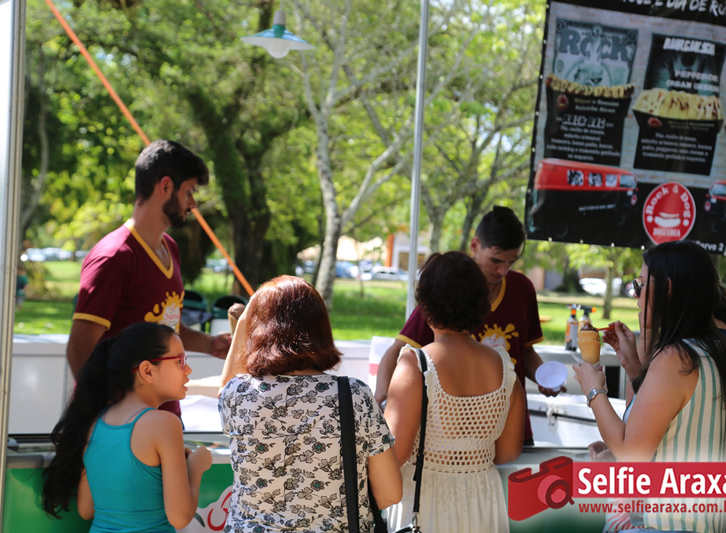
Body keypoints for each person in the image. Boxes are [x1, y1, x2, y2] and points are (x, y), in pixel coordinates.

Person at [574, 240, 726, 532]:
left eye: (641, 285)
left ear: (667, 289)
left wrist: (594, 390)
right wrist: (635, 367)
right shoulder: (721, 350)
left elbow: (631, 454)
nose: (636, 296)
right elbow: (668, 420)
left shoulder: (676, 358)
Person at [218, 276, 402, 532]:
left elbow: (226, 385)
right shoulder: (354, 395)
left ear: (256, 329)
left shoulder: (238, 394)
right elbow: (389, 494)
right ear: (321, 328)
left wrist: (245, 321)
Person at [68, 140, 231, 416]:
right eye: (189, 192)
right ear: (165, 186)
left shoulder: (170, 249)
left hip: (164, 416)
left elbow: (165, 325)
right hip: (122, 423)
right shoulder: (114, 256)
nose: (193, 203)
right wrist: (106, 418)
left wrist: (209, 344)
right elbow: (79, 347)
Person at [375, 205, 552, 445]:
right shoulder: (449, 288)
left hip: (510, 431)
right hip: (452, 437)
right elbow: (396, 351)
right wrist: (382, 397)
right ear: (475, 245)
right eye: (496, 260)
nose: (503, 270)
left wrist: (545, 377)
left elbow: (525, 351)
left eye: (512, 262)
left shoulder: (523, 288)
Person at [384, 251, 525, 533]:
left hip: (427, 501)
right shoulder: (505, 367)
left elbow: (393, 454)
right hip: (483, 500)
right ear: (480, 303)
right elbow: (508, 452)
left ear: (425, 304)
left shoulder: (416, 364)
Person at [41, 322, 212, 531]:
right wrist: (196, 467)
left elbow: (87, 509)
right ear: (147, 371)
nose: (188, 369)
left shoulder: (94, 423)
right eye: (180, 361)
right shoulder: (164, 423)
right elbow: (180, 517)